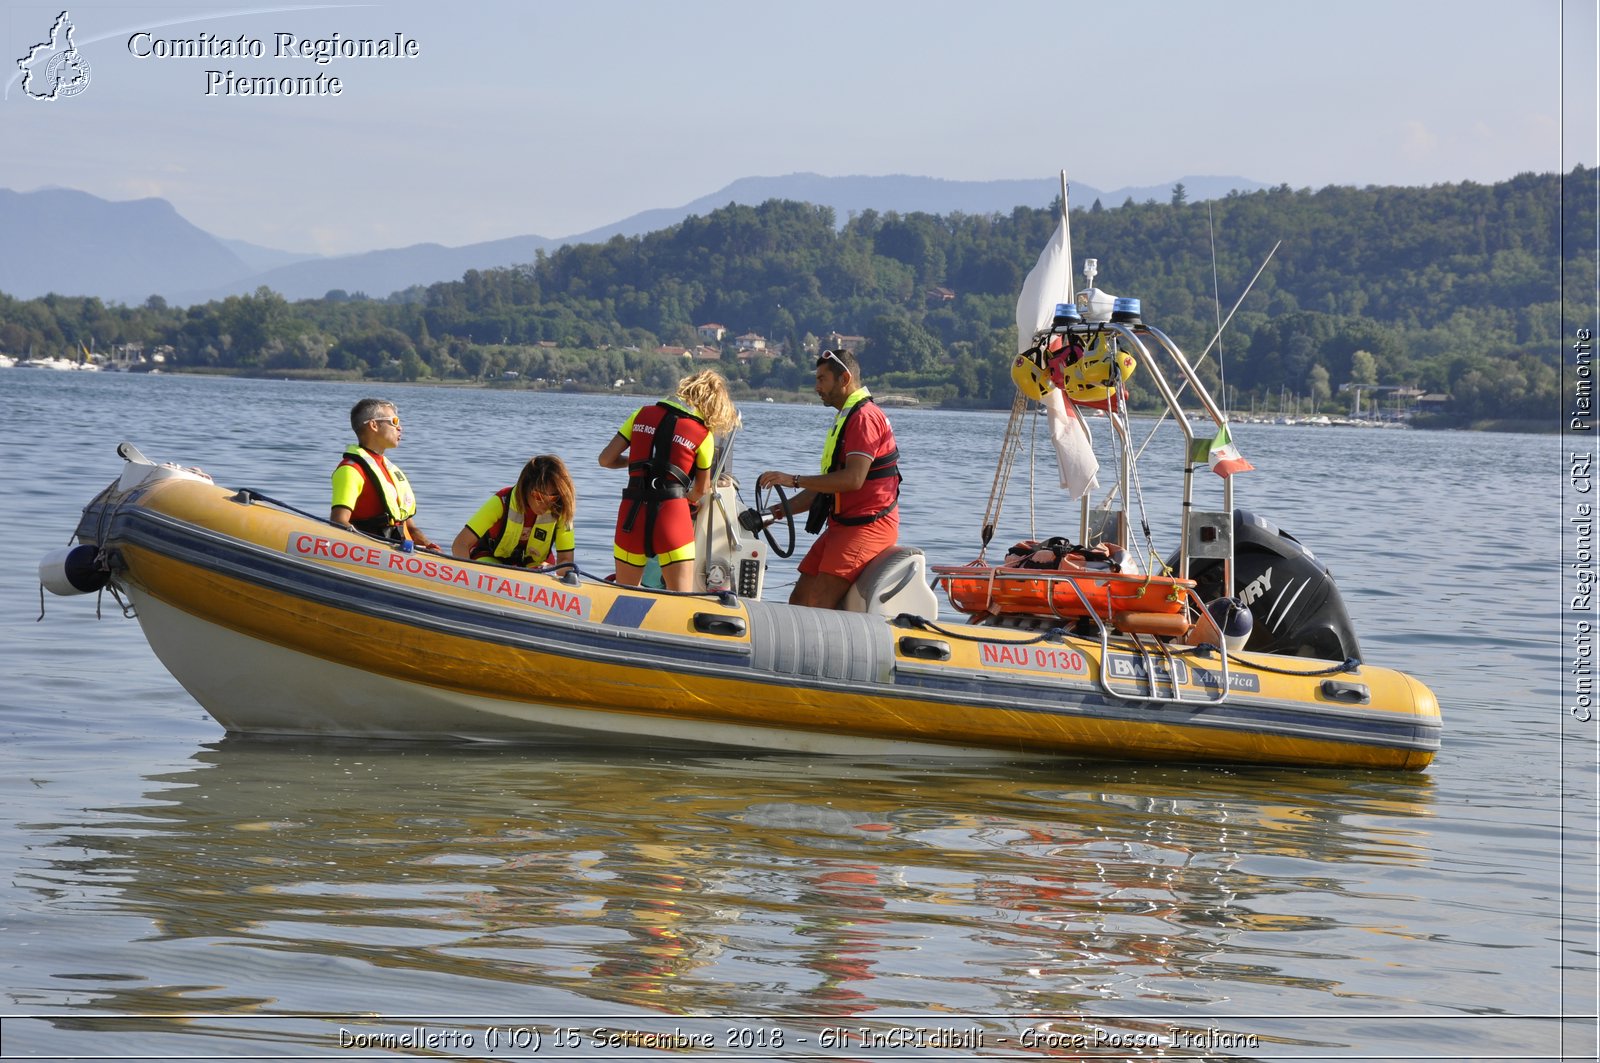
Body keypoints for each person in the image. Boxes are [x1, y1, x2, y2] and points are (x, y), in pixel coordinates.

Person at [756, 349, 901, 609]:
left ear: (844, 379)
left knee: (818, 600)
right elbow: (824, 488)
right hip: (842, 526)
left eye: (822, 379)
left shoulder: (864, 418)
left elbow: (853, 479)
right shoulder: (847, 417)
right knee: (799, 598)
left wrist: (793, 479)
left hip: (867, 527)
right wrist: (772, 513)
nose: (816, 387)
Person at [598, 369, 739, 591]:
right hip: (673, 517)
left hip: (632, 515)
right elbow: (701, 488)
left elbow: (605, 459)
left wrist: (638, 462)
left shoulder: (641, 414)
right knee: (678, 603)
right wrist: (688, 503)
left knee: (623, 598)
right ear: (713, 405)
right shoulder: (703, 435)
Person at [330, 397, 441, 550]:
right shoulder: (351, 470)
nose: (400, 427)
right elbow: (339, 521)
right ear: (374, 425)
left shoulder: (389, 471)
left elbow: (410, 527)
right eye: (394, 421)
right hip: (377, 553)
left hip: (404, 552)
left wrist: (428, 545)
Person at [451, 455, 577, 568]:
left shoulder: (562, 510)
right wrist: (467, 573)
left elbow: (566, 561)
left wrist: (551, 571)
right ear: (525, 487)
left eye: (553, 498)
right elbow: (460, 544)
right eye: (538, 496)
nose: (545, 504)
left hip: (537, 566)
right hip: (491, 558)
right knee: (488, 566)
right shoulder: (501, 501)